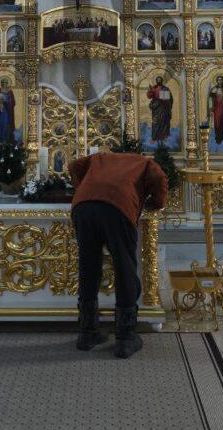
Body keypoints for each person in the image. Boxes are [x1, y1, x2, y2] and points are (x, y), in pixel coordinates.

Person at [69, 150, 167, 358]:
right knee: (124, 268)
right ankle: (125, 338)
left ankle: (87, 334)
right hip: (117, 208)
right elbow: (159, 179)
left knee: (88, 266)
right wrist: (157, 202)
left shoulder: (101, 157)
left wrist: (85, 189)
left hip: (83, 206)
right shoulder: (145, 163)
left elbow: (74, 166)